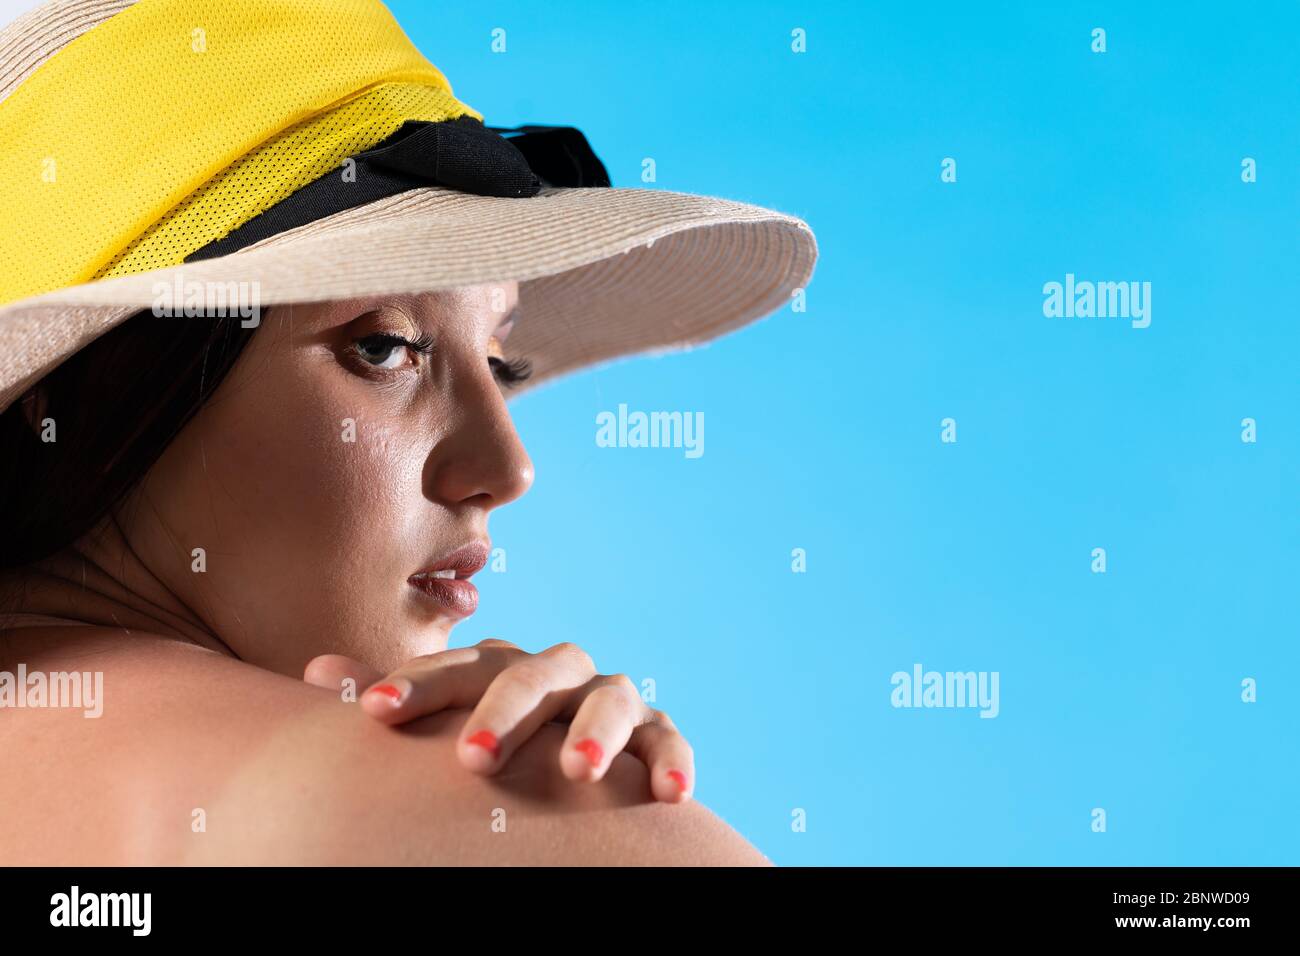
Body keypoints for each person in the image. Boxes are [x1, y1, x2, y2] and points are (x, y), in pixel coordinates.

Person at [0, 0, 816, 865]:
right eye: (383, 347)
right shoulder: (546, 815)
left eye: (501, 363)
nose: (508, 467)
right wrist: (580, 810)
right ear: (70, 391)